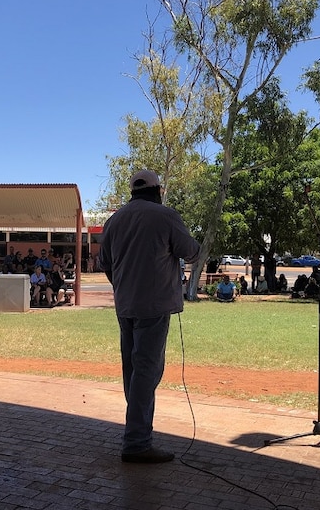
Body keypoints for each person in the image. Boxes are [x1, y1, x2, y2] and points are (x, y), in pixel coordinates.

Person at [98, 169, 200, 464]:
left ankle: (137, 431)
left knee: (132, 370)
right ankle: (137, 442)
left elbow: (105, 262)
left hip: (125, 305)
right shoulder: (165, 216)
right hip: (154, 306)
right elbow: (190, 251)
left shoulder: (114, 220)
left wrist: (122, 285)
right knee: (147, 370)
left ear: (132, 191)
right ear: (158, 190)